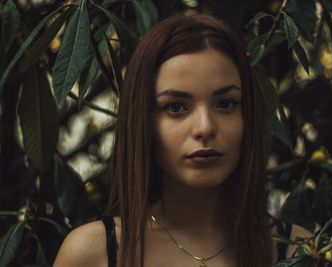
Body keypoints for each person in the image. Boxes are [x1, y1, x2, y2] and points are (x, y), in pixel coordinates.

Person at [53, 12, 273, 267]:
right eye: (176, 107)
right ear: (142, 121)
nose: (205, 128)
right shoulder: (92, 253)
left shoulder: (292, 248)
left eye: (225, 104)